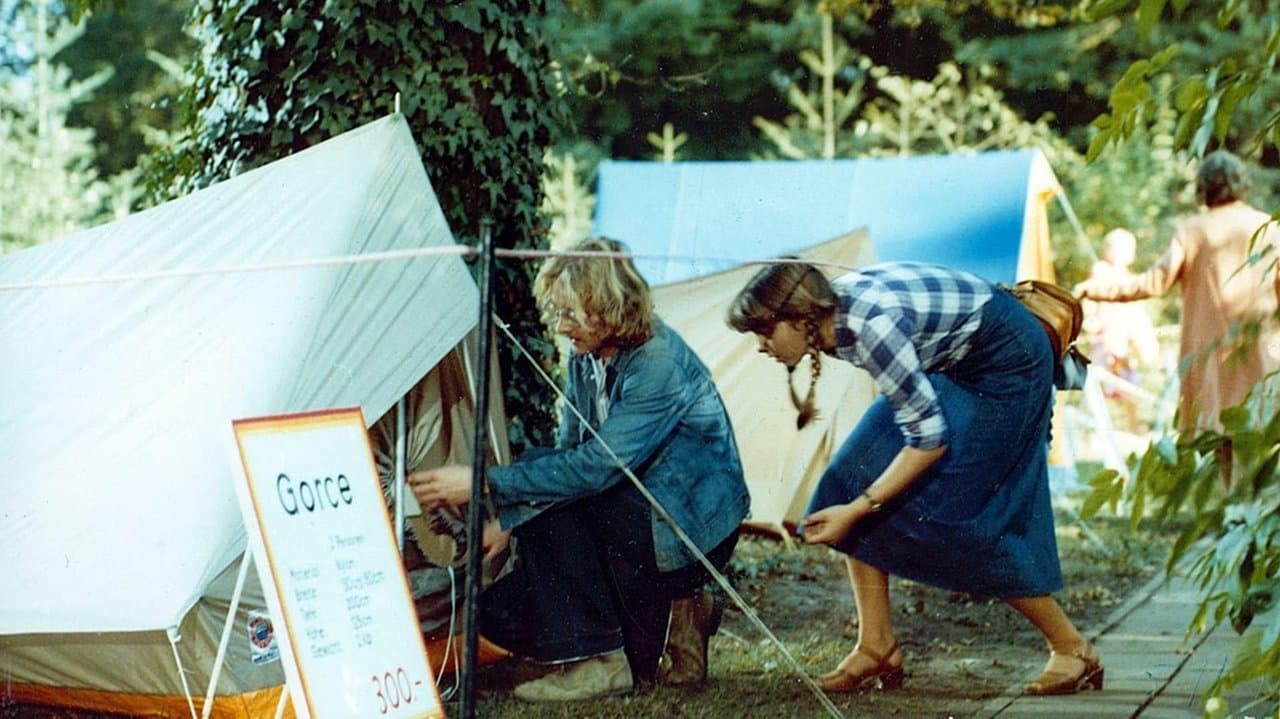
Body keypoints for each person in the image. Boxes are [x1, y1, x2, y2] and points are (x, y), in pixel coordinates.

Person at [727, 260, 1102, 696]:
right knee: (849, 478)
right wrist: (857, 500)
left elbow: (929, 440)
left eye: (764, 331)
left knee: (960, 518)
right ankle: (876, 647)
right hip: (962, 358)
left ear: (799, 319)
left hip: (1009, 362)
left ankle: (1072, 648)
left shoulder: (872, 329)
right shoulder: (831, 315)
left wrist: (861, 509)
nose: (759, 345)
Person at [409, 236, 749, 703]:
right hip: (639, 510)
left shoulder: (658, 364)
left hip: (688, 528)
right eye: (557, 312)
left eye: (571, 313)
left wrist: (484, 483)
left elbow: (592, 470)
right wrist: (510, 521)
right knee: (506, 601)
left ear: (608, 307)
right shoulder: (586, 353)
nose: (561, 325)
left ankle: (602, 660)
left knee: (556, 504)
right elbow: (567, 449)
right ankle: (678, 613)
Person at [1075, 151, 1280, 452]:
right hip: (1260, 349)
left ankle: (1227, 497)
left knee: (1218, 438)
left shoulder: (1193, 231)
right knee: (1264, 437)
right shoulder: (1268, 227)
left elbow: (1151, 283)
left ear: (1203, 187)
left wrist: (1095, 289)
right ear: (1240, 183)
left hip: (1209, 356)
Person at [1083, 228, 1160, 432]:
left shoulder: (1127, 276)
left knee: (1128, 388)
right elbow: (1092, 297)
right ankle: (1097, 431)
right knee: (1103, 385)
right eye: (1120, 249)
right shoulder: (1101, 270)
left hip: (1123, 338)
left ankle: (1134, 430)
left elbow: (1135, 311)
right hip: (1106, 337)